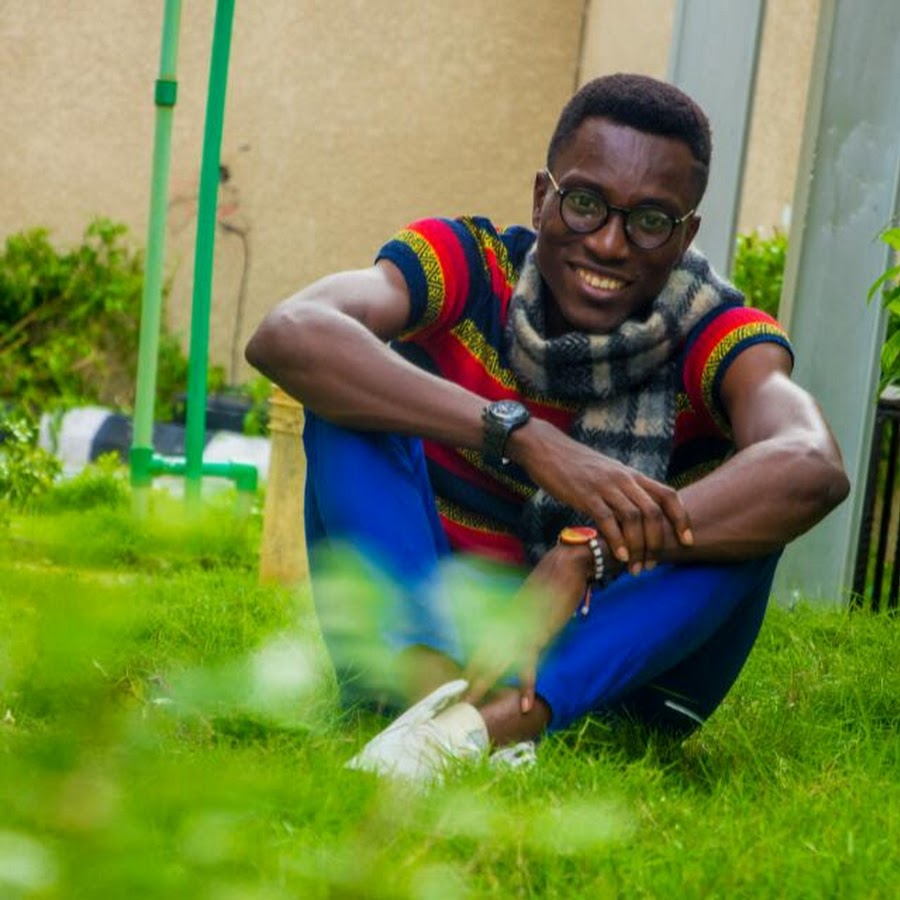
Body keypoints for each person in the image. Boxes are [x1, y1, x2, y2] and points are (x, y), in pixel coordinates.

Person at [245, 73, 849, 783]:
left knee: (745, 515)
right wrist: (524, 437)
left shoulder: (715, 333)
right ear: (542, 198)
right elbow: (290, 332)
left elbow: (812, 462)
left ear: (686, 235)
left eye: (651, 221)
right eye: (585, 203)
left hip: (619, 678)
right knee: (349, 394)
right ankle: (425, 700)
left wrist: (586, 555)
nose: (611, 244)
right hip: (435, 632)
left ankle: (475, 730)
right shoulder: (470, 267)